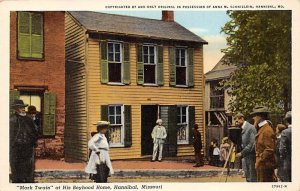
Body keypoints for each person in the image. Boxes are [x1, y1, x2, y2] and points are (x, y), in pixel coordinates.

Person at [10, 99, 39, 183]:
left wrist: (32, 141)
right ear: (16, 109)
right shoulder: (11, 120)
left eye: (23, 107)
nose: (23, 109)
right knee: (16, 168)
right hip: (16, 149)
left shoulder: (29, 119)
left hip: (28, 148)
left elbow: (35, 132)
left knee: (29, 168)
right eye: (20, 107)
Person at [251, 106, 276, 182]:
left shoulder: (267, 130)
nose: (253, 118)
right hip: (263, 165)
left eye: (255, 116)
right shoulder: (262, 128)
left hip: (265, 165)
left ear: (260, 117)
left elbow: (269, 149)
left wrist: (260, 160)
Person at [234, 112, 257, 182]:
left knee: (252, 177)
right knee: (248, 177)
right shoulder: (241, 128)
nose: (236, 123)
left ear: (242, 119)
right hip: (245, 157)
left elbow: (252, 144)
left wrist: (241, 153)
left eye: (237, 121)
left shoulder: (250, 128)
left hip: (251, 157)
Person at [279, 111, 292, 182]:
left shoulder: (285, 132)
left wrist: (282, 158)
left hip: (288, 162)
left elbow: (282, 149)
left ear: (287, 121)